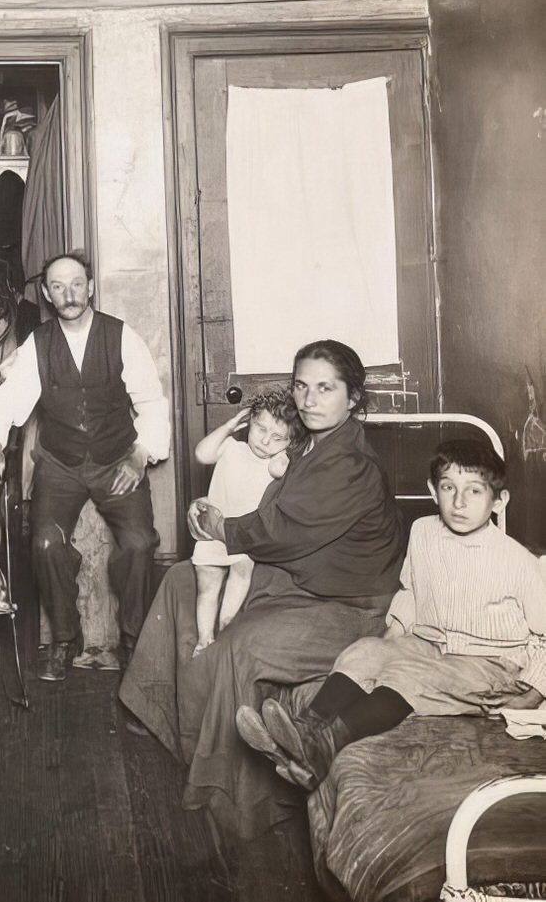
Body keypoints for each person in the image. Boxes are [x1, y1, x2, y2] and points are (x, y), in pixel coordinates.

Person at [119, 339, 405, 837]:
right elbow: (259, 502)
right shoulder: (307, 442)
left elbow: (283, 530)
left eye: (325, 388)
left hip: (343, 605)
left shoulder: (350, 465)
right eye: (301, 386)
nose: (309, 399)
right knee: (182, 579)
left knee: (241, 648)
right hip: (293, 577)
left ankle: (227, 795)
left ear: (353, 398)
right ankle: (164, 718)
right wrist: (211, 517)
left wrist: (219, 529)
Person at [237, 438, 546, 790]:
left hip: (493, 663)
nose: (459, 503)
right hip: (431, 643)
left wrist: (532, 694)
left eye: (474, 491)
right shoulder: (423, 532)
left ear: (499, 500)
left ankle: (323, 748)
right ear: (433, 490)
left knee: (406, 675)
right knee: (366, 651)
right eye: (449, 487)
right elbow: (412, 590)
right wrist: (386, 647)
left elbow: (545, 637)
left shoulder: (517, 561)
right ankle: (302, 729)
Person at [0, 252, 170, 681]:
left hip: (117, 457)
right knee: (45, 544)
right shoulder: (38, 345)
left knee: (139, 543)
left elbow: (152, 403)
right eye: (59, 286)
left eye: (77, 284)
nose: (69, 294)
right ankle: (64, 639)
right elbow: (9, 403)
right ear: (46, 293)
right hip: (60, 464)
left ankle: (133, 640)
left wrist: (140, 455)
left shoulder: (122, 337)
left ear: (91, 287)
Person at [191, 390, 301, 657]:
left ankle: (225, 628)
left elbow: (284, 469)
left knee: (241, 571)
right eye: (260, 429)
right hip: (212, 533)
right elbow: (202, 454)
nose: (265, 441)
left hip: (243, 537)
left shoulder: (276, 463)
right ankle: (204, 638)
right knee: (207, 584)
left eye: (277, 437)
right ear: (248, 423)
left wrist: (287, 450)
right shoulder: (231, 447)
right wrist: (229, 427)